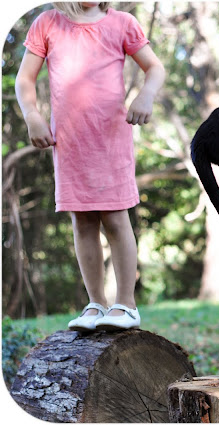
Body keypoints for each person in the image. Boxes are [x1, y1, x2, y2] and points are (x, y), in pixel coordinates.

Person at [15, 2, 165, 331]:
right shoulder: (47, 23)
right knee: (82, 221)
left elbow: (155, 68)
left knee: (115, 218)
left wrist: (146, 95)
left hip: (110, 139)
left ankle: (126, 305)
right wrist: (32, 116)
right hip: (70, 143)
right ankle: (96, 303)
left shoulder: (122, 23)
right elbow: (25, 78)